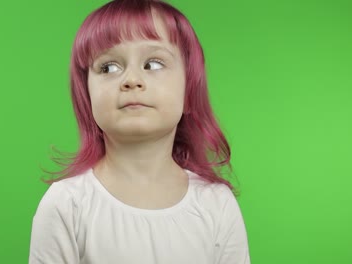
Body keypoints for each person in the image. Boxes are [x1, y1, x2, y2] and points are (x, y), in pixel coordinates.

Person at [28, 0, 250, 263]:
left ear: (189, 91)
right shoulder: (67, 204)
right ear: (87, 96)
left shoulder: (216, 204)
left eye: (153, 64)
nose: (131, 80)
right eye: (108, 67)